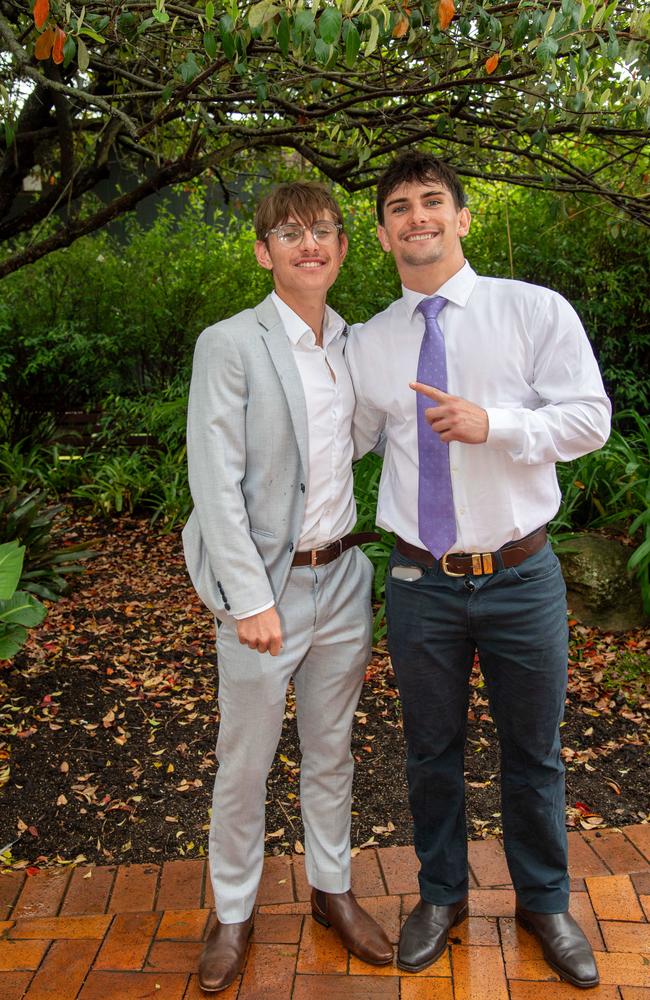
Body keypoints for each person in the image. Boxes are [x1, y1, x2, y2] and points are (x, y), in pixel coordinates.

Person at [346, 151, 611, 989]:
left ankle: (544, 903)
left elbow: (590, 421)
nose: (416, 216)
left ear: (462, 218)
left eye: (432, 202)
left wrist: (495, 423)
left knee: (534, 752)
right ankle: (440, 896)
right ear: (383, 232)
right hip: (421, 581)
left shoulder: (532, 311)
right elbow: (344, 439)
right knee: (431, 751)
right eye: (399, 207)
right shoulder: (373, 340)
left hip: (521, 576)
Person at [182, 182, 392, 993]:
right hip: (265, 587)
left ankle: (330, 890)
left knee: (333, 750)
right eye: (291, 232)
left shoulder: (353, 343)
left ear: (343, 248)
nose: (312, 244)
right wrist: (249, 601)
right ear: (266, 251)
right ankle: (232, 910)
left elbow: (365, 440)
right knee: (246, 758)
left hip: (342, 578)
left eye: (325, 231)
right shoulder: (229, 343)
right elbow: (215, 481)